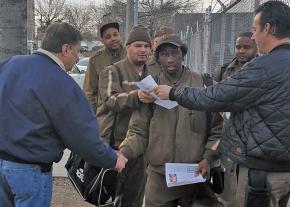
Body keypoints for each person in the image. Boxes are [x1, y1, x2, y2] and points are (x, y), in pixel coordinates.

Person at [152, 1, 290, 207]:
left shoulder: (263, 67)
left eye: (254, 30)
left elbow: (214, 97)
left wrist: (173, 93)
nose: (253, 37)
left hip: (263, 174)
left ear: (267, 28)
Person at [0, 22, 127, 207]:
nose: (77, 58)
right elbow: (82, 136)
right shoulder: (60, 82)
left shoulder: (10, 64)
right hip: (31, 172)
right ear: (65, 49)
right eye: (76, 52)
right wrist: (113, 158)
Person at [119, 34, 222, 207]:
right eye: (164, 54)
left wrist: (208, 158)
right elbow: (138, 131)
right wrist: (124, 152)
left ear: (183, 54)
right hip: (160, 178)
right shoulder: (150, 89)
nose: (170, 59)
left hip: (195, 175)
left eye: (174, 53)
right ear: (157, 58)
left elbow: (218, 131)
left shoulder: (203, 86)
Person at [97, 25, 161, 207]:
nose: (142, 50)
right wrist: (137, 96)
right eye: (138, 45)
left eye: (146, 46)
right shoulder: (112, 71)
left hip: (140, 149)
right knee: (110, 199)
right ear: (127, 47)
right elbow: (110, 99)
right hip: (114, 146)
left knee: (134, 198)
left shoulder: (154, 75)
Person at [213, 31, 257, 207]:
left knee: (247, 182)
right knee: (229, 175)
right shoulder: (223, 70)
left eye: (247, 47)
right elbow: (214, 96)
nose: (241, 51)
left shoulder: (262, 69)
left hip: (252, 134)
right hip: (228, 132)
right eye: (238, 47)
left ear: (255, 48)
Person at [83, 21, 126, 113]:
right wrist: (93, 117)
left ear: (120, 35)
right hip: (105, 115)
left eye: (115, 35)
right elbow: (89, 92)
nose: (113, 39)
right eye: (108, 37)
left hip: (128, 114)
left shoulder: (130, 55)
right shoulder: (95, 60)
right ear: (102, 41)